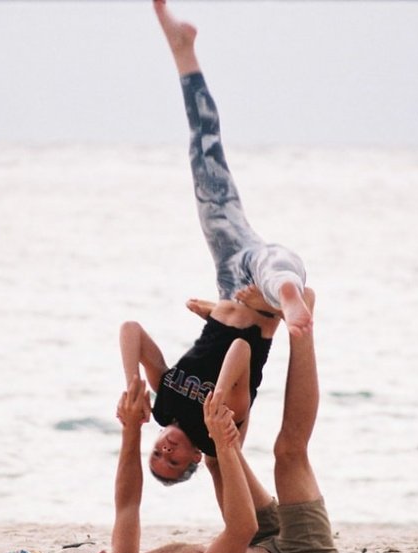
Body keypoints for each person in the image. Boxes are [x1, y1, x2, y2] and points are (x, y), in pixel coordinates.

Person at [120, 0, 315, 485]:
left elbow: (132, 330)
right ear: (191, 463)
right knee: (275, 271)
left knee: (203, 154)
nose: (163, 449)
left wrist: (134, 385)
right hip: (260, 304)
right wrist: (219, 396)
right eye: (170, 461)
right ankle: (291, 298)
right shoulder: (218, 435)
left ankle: (182, 51)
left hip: (230, 281)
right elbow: (243, 356)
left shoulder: (164, 405)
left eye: (155, 455)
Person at [60, 287, 338, 553]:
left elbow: (127, 504)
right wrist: (225, 442)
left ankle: (231, 324)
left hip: (262, 544)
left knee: (215, 461)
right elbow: (240, 530)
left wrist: (131, 427)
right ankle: (301, 329)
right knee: (288, 454)